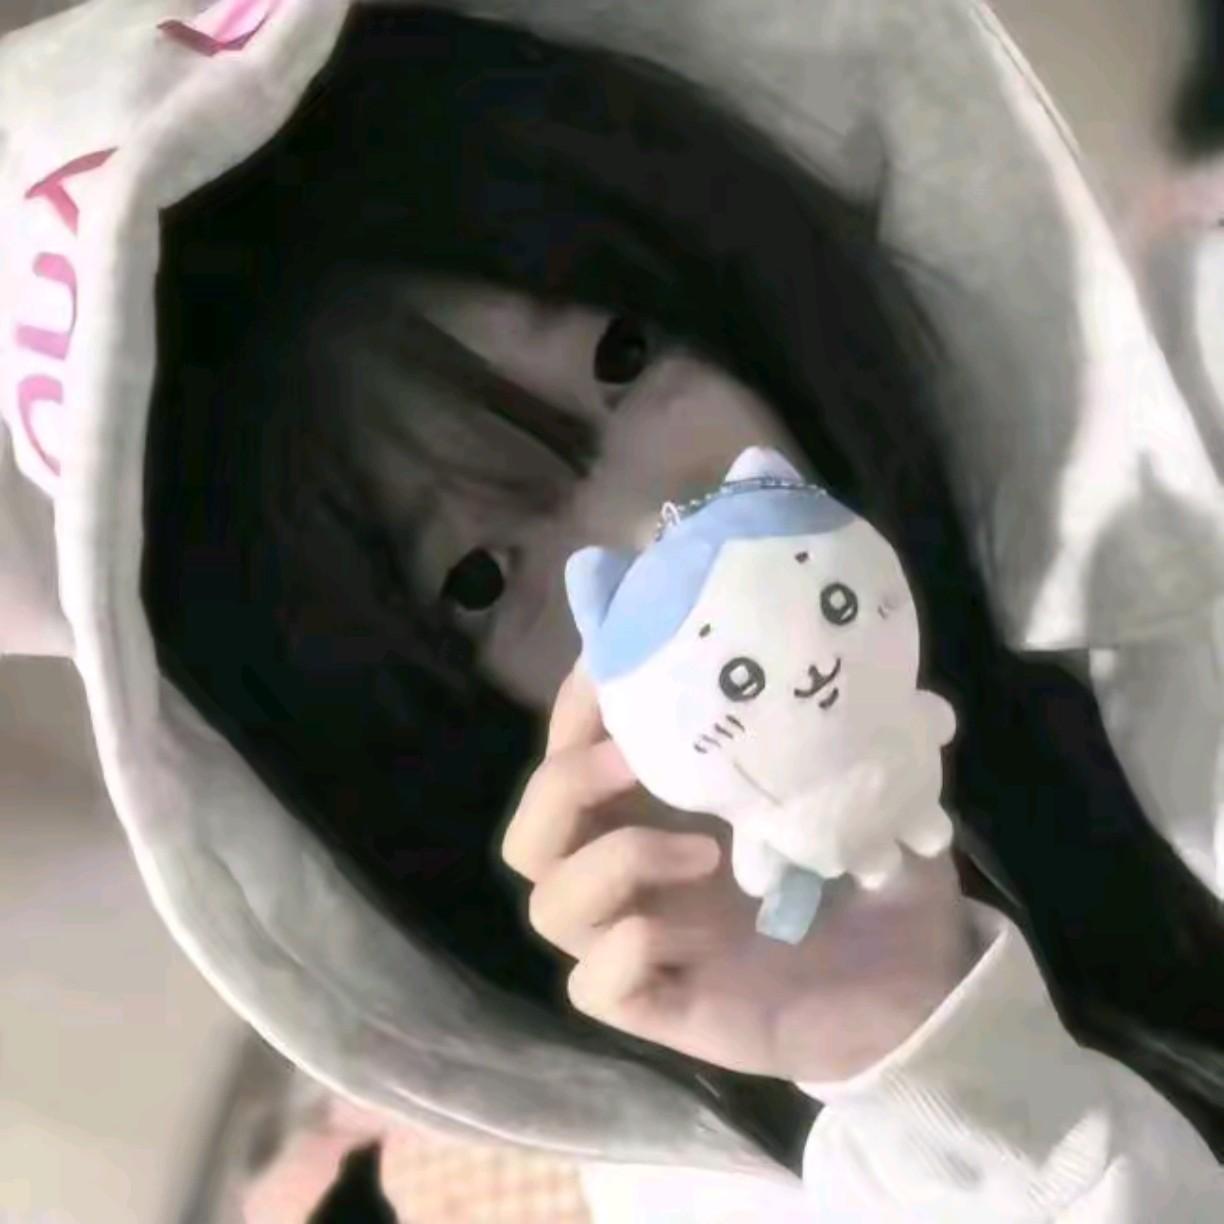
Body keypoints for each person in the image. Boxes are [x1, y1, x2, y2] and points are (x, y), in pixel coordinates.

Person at [4, 2, 1224, 1219]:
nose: (658, 531)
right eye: (481, 575)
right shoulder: (704, 1174)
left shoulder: (1190, 422)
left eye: (624, 358)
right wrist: (911, 1051)